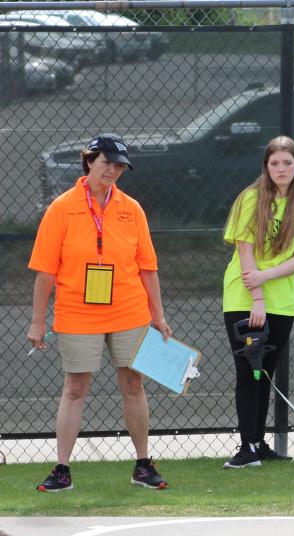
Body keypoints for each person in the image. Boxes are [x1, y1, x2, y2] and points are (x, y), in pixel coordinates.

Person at [27, 133, 172, 492]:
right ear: (88, 161)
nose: (114, 171)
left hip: (128, 309)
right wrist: (37, 321)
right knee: (75, 387)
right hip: (77, 311)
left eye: (120, 165)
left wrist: (159, 316)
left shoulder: (131, 208)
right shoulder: (61, 207)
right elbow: (45, 270)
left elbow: (147, 267)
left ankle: (142, 463)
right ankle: (62, 469)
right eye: (108, 163)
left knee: (133, 384)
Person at [221, 136, 294, 469]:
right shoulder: (250, 199)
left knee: (265, 373)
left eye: (287, 163)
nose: (281, 169)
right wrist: (258, 296)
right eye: (274, 163)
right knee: (248, 370)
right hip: (244, 297)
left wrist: (268, 277)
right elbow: (245, 253)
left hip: (283, 302)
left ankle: (258, 444)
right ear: (266, 166)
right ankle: (246, 447)